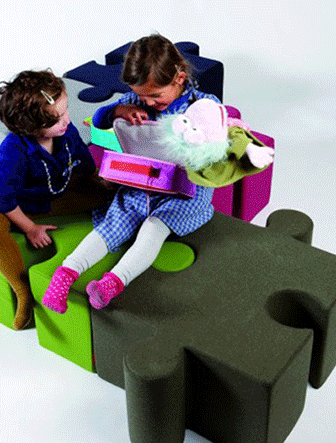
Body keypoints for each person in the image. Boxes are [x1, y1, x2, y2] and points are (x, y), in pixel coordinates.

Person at [42, 34, 220, 313]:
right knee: (111, 225)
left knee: (154, 228)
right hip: (139, 183)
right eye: (142, 95)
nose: (148, 103)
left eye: (156, 96)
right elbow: (98, 120)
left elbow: (220, 143)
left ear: (179, 79)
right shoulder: (134, 100)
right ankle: (64, 275)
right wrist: (118, 110)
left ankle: (113, 283)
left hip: (184, 193)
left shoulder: (204, 105)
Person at [0, 69, 110, 329]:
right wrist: (30, 228)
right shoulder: (14, 150)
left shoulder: (66, 130)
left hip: (52, 191)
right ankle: (22, 292)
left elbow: (84, 164)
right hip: (13, 203)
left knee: (109, 191)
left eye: (66, 109)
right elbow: (4, 199)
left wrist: (100, 180)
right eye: (55, 120)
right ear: (30, 127)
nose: (66, 120)